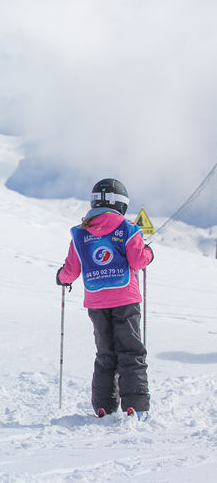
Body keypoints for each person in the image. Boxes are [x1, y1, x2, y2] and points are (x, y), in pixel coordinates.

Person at [57, 178, 154, 419]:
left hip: (97, 303)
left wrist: (62, 277)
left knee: (105, 353)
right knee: (131, 351)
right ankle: (135, 406)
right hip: (125, 299)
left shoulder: (80, 234)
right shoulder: (127, 228)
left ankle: (103, 406)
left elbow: (71, 269)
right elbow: (138, 261)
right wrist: (149, 253)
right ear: (121, 204)